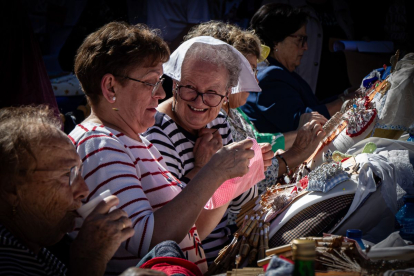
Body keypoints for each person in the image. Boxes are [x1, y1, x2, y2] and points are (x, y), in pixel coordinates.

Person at [68, 22, 254, 274]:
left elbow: (188, 230)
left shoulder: (130, 139)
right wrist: (215, 172)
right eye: (150, 82)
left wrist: (226, 175)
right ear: (111, 87)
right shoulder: (100, 144)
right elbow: (150, 242)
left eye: (160, 81)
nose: (161, 93)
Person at [143, 36, 324, 263]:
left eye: (212, 93)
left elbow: (241, 205)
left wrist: (245, 173)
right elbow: (173, 230)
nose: (200, 102)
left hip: (226, 251)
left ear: (226, 95)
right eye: (189, 88)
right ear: (175, 84)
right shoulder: (156, 134)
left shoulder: (219, 120)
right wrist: (206, 169)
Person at [182, 21, 326, 195]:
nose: (255, 82)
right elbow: (242, 180)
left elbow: (259, 142)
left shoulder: (234, 111)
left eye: (255, 72)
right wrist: (296, 153)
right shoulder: (210, 115)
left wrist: (300, 138)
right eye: (249, 71)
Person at [0, 106, 134, 276]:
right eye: (66, 174)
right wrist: (89, 261)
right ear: (11, 187)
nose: (84, 190)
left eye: (79, 172)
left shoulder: (34, 246)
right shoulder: (6, 262)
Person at [241, 3, 355, 134]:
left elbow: (312, 107)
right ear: (276, 41)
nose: (305, 46)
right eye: (300, 39)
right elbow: (300, 122)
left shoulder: (279, 71)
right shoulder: (270, 76)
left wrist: (345, 95)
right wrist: (345, 102)